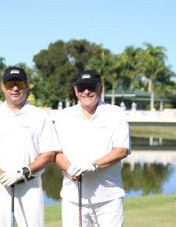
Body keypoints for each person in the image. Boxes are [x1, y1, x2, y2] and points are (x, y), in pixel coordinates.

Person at [0, 66, 61, 227]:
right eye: (10, 84)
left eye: (19, 84)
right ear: (3, 87)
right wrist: (1, 175)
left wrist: (24, 171)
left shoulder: (40, 116)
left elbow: (48, 153)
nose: (15, 88)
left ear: (27, 86)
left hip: (30, 185)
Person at [54, 70, 131, 227]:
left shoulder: (115, 114)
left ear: (100, 88)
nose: (87, 92)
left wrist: (93, 165)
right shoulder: (63, 117)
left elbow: (122, 150)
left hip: (109, 199)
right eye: (82, 88)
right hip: (73, 199)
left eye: (91, 87)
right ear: (76, 90)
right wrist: (69, 169)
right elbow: (56, 153)